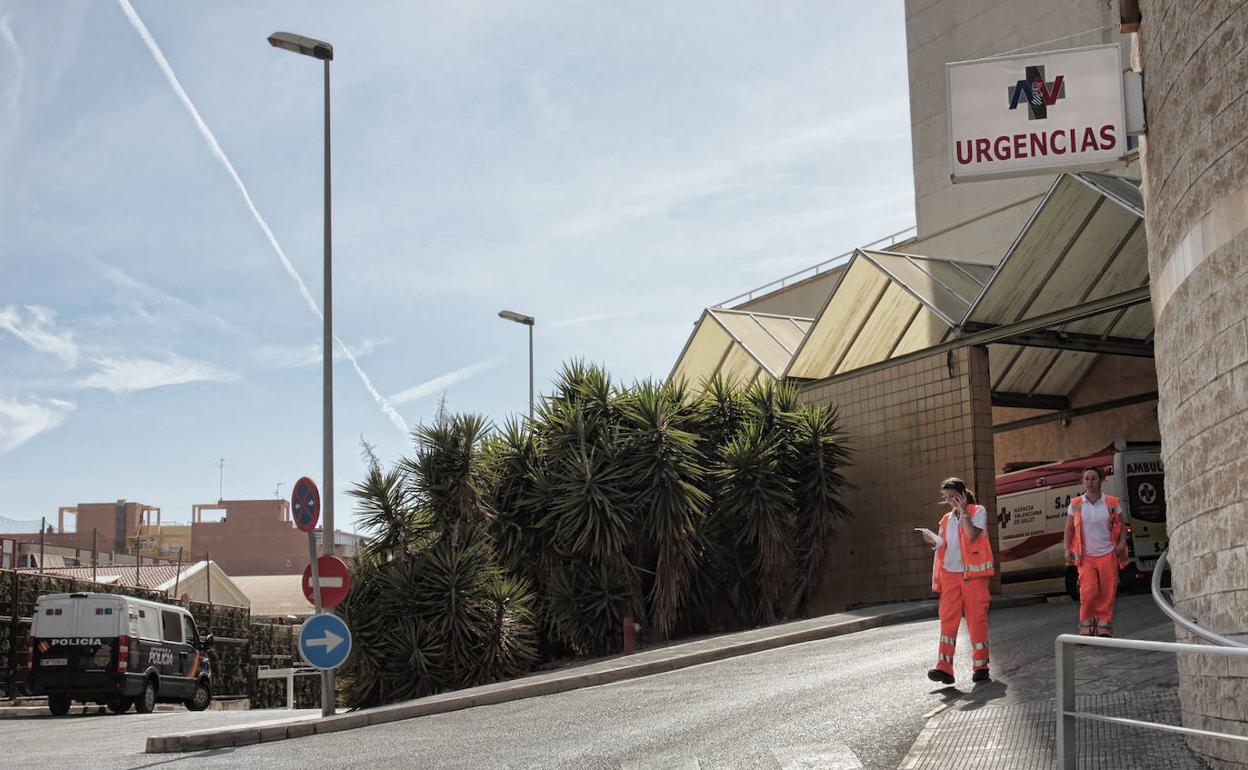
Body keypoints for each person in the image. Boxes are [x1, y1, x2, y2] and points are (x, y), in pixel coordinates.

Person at [918, 478, 994, 685]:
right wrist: (933, 541)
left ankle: (981, 667)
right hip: (950, 575)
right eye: (946, 498)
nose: (950, 501)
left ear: (962, 494)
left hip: (972, 577)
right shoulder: (945, 519)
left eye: (953, 496)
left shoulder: (977, 511)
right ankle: (944, 669)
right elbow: (945, 545)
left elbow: (971, 536)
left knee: (976, 621)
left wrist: (964, 513)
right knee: (947, 622)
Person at [1064, 466, 1128, 637]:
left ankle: (1103, 627)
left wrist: (1122, 542)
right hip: (1086, 556)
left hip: (1108, 554)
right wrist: (1067, 549)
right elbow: (1069, 529)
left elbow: (1121, 526)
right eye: (1087, 479)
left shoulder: (1112, 503)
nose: (1090, 482)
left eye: (1093, 478)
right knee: (1088, 592)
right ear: (1083, 482)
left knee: (1107, 592)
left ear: (1100, 481)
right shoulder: (1076, 504)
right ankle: (1086, 626)